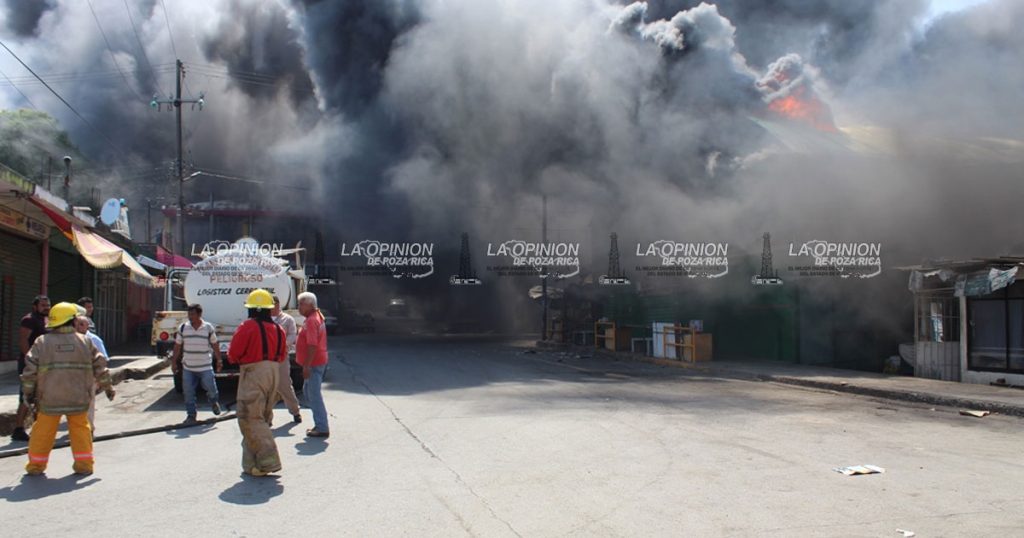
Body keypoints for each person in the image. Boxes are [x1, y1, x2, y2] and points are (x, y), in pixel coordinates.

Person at [21, 302, 115, 475]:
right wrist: (108, 387)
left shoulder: (42, 342)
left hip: (49, 399)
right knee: (81, 430)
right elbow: (101, 366)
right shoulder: (85, 341)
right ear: (72, 320)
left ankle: (36, 466)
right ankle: (84, 465)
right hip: (78, 398)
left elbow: (29, 372)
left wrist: (28, 394)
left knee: (42, 432)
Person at [227, 289, 287, 476]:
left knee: (250, 418)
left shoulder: (248, 327)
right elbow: (283, 354)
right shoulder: (279, 329)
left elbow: (233, 354)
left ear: (252, 309)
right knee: (262, 417)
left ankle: (269, 461)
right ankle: (251, 464)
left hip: (254, 373)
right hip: (273, 373)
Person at [171, 304, 223, 423]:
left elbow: (215, 344)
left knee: (211, 388)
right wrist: (174, 362)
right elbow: (177, 346)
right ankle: (191, 415)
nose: (190, 317)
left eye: (193, 314)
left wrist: (219, 360)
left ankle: (214, 401)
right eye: (189, 314)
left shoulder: (208, 328)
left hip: (205, 366)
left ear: (199, 315)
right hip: (188, 367)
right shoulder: (183, 328)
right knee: (188, 392)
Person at [11, 295, 49, 442]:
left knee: (39, 396)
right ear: (35, 306)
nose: (46, 307)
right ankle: (18, 429)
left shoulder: (45, 320)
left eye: (48, 305)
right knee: (25, 396)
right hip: (29, 364)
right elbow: (23, 340)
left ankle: (38, 428)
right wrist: (29, 360)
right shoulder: (29, 319)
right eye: (43, 305)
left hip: (41, 364)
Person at [296, 291, 329, 438]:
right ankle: (319, 423)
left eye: (301, 304)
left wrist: (306, 366)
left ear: (309, 305)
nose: (299, 308)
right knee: (308, 392)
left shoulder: (311, 320)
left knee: (314, 395)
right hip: (317, 361)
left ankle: (322, 427)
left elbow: (312, 345)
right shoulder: (316, 316)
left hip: (314, 363)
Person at [74, 306, 108, 432]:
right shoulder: (72, 339)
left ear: (87, 326)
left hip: (90, 378)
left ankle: (88, 429)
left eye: (82, 324)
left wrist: (101, 378)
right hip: (74, 378)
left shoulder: (94, 340)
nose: (79, 327)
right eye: (77, 324)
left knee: (89, 404)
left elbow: (103, 359)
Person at [271, 295, 302, 423]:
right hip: (267, 358)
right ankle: (267, 416)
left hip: (281, 357)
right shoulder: (264, 319)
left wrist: (283, 345)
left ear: (278, 305)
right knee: (268, 387)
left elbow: (292, 335)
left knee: (285, 384)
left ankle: (295, 411)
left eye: (274, 305)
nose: (273, 307)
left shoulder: (287, 319)